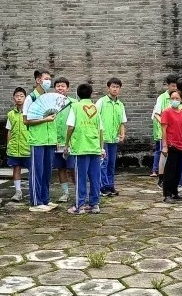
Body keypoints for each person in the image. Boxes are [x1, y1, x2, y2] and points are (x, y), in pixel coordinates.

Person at [66, 83, 106, 214]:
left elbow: (71, 127)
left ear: (77, 94)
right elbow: (100, 130)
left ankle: (79, 206)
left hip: (80, 147)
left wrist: (66, 143)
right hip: (95, 147)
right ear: (91, 94)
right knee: (95, 177)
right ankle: (94, 204)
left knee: (80, 177)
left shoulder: (75, 107)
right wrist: (101, 148)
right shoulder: (95, 108)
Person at [23, 69, 58, 212]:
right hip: (37, 140)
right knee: (36, 171)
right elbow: (26, 120)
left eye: (50, 78)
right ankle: (36, 202)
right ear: (38, 80)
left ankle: (45, 199)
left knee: (47, 171)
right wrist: (44, 119)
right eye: (46, 78)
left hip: (49, 140)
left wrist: (55, 139)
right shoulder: (30, 98)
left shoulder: (48, 97)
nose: (48, 81)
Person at [97, 77, 127, 196]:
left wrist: (122, 134)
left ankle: (110, 185)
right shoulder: (101, 102)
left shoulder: (120, 104)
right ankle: (103, 187)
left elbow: (122, 122)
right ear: (108, 88)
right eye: (113, 87)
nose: (115, 89)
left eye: (117, 87)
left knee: (111, 163)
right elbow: (95, 118)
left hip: (114, 138)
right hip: (103, 138)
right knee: (103, 162)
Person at [159, 89, 182, 202]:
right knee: (170, 170)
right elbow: (164, 130)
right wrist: (164, 145)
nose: (174, 100)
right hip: (171, 144)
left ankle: (175, 192)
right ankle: (167, 194)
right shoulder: (166, 112)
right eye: (172, 98)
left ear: (181, 100)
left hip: (180, 144)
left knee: (178, 170)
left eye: (177, 98)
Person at [52, 78, 77, 203]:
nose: (60, 88)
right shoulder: (50, 103)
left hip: (71, 143)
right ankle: (65, 193)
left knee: (73, 168)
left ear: (68, 88)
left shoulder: (74, 103)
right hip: (56, 142)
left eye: (63, 86)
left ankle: (78, 191)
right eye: (58, 86)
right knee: (60, 168)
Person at [151, 74, 180, 180]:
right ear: (168, 86)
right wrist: (165, 123)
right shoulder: (162, 98)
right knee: (160, 150)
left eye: (176, 86)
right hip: (162, 129)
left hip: (174, 131)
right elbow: (156, 113)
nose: (174, 88)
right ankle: (156, 171)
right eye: (172, 86)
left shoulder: (179, 97)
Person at [6, 88, 31, 202]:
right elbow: (9, 130)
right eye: (17, 96)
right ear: (13, 99)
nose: (19, 98)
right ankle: (18, 191)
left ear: (25, 98)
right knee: (16, 168)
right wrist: (8, 144)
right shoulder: (11, 114)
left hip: (27, 145)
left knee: (32, 169)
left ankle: (32, 190)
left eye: (21, 96)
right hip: (15, 146)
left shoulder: (30, 112)